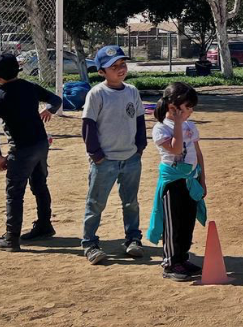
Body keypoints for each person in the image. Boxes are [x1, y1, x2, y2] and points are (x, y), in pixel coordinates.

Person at [0, 52, 63, 252]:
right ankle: (44, 225)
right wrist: (49, 110)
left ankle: (11, 238)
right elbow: (56, 99)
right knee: (40, 184)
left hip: (21, 149)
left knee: (14, 193)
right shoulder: (30, 86)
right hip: (40, 144)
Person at [80, 45, 148, 265]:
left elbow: (139, 120)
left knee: (130, 202)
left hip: (130, 159)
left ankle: (133, 239)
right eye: (114, 67)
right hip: (105, 161)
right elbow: (88, 125)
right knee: (96, 203)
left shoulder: (132, 91)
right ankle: (90, 243)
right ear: (101, 72)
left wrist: (139, 147)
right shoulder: (97, 94)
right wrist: (96, 154)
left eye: (122, 65)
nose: (120, 69)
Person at [147, 82, 207, 283]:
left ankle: (183, 257)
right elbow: (175, 148)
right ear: (173, 107)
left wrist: (202, 179)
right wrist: (179, 123)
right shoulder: (161, 128)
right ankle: (171, 262)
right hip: (172, 182)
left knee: (187, 220)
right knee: (173, 222)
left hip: (190, 179)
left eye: (191, 107)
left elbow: (197, 153)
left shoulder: (191, 125)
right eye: (187, 107)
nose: (190, 111)